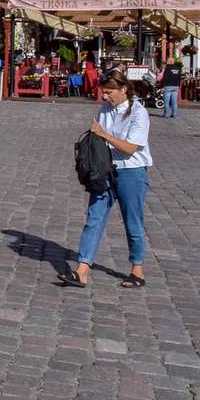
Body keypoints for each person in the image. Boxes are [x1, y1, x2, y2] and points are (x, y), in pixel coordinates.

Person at [60, 70, 152, 289]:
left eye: (109, 92)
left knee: (132, 220)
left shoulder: (139, 113)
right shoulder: (105, 109)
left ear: (123, 90)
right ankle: (82, 269)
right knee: (94, 217)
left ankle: (137, 269)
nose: (105, 97)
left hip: (132, 171)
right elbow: (98, 138)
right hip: (105, 171)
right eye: (104, 92)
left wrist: (103, 134)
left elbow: (130, 148)